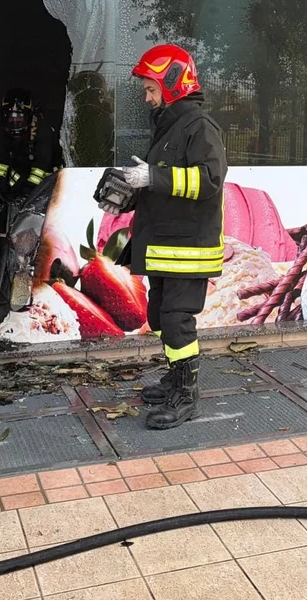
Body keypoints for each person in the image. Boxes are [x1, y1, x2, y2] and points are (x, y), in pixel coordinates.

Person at [101, 45, 227, 430]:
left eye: (151, 88)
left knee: (176, 321)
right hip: (165, 247)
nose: (147, 96)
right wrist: (128, 194)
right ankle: (175, 378)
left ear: (173, 82)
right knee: (159, 317)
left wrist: (152, 177)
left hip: (187, 250)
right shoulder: (171, 126)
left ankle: (186, 397)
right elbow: (165, 186)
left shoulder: (200, 127)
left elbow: (210, 180)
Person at [0, 88, 60, 197]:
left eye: (20, 117)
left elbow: (42, 166)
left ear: (29, 117)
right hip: (22, 178)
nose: (15, 122)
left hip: (46, 184)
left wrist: (27, 194)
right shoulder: (0, 132)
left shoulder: (43, 131)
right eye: (10, 117)